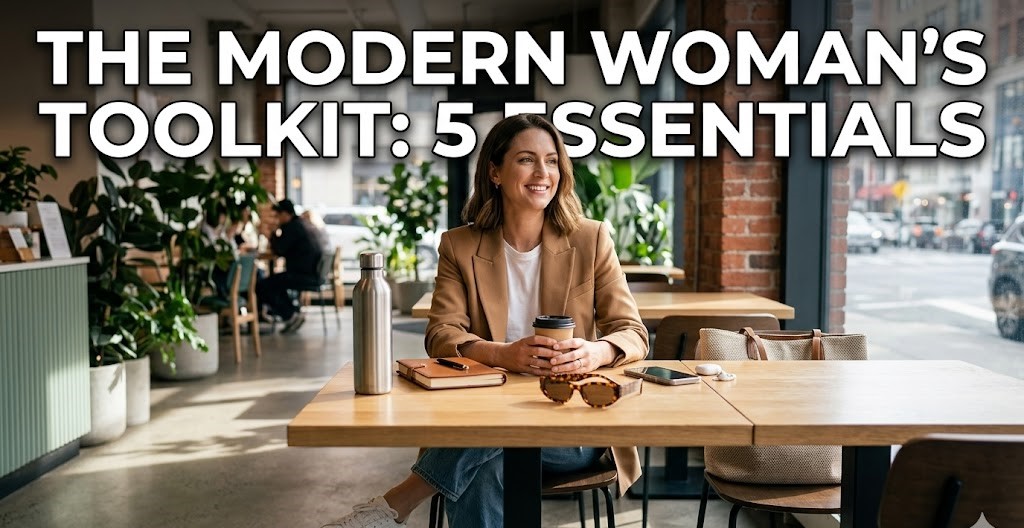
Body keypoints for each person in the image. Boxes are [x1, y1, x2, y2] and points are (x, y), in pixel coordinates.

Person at [323, 114, 649, 528]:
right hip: (482, 420)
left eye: (552, 161)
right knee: (487, 471)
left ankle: (396, 504)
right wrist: (503, 355)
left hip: (571, 424)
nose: (542, 173)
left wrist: (595, 351)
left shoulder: (591, 238)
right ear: (494, 172)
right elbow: (441, 333)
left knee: (487, 445)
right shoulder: (460, 245)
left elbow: (633, 333)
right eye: (526, 160)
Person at [256, 199, 324, 333]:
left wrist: (271, 234)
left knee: (263, 286)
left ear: (285, 214)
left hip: (303, 274)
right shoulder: (300, 224)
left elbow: (279, 249)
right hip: (310, 273)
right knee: (273, 283)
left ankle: (290, 315)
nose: (276, 219)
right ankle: (291, 313)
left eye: (277, 216)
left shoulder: (292, 227)